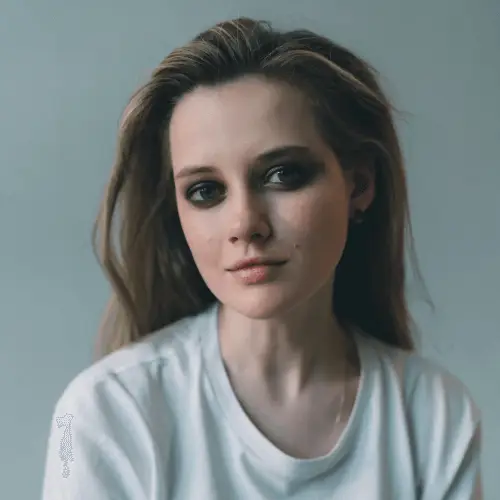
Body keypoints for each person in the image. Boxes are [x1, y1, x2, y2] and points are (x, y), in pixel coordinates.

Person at [41, 17, 483, 499]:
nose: (245, 224)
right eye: (205, 191)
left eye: (282, 174)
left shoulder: (435, 415)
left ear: (359, 185)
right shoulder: (98, 413)